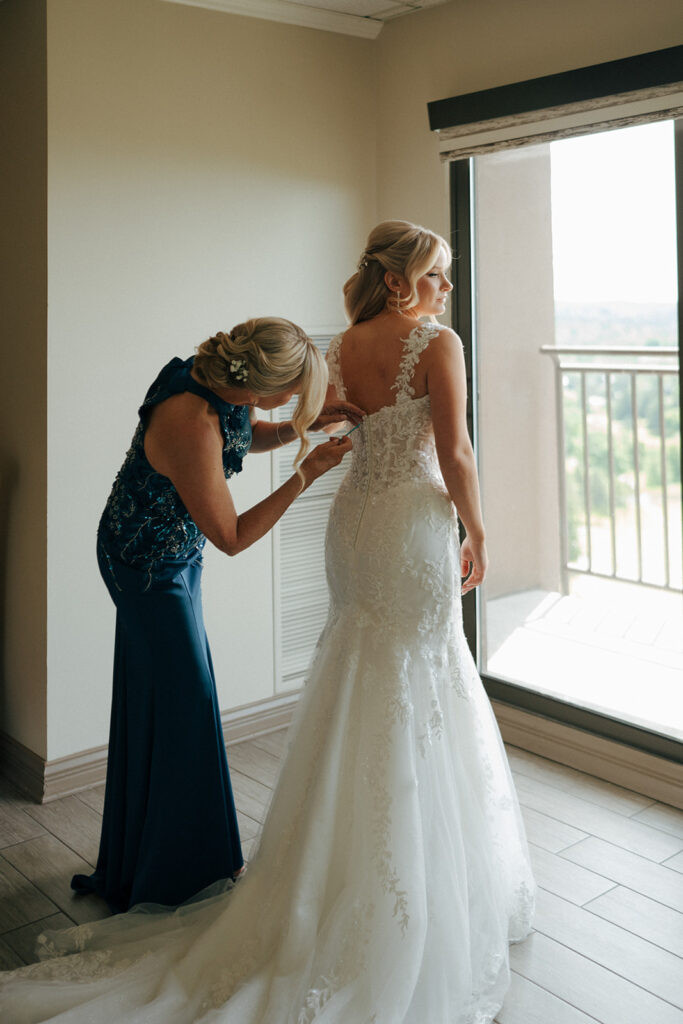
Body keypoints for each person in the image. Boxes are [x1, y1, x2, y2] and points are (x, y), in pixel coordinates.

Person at [0, 225, 535, 1023]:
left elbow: (281, 427)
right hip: (299, 541)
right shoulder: (432, 343)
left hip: (352, 527)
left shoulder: (338, 345)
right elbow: (451, 453)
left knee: (357, 667)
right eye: (440, 275)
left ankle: (204, 864)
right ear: (403, 283)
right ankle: (191, 871)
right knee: (387, 678)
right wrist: (479, 531)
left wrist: (311, 437)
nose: (448, 288)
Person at [71, 316, 360, 914]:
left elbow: (245, 432)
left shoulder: (218, 385)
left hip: (177, 549)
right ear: (257, 382)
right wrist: (307, 472)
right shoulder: (188, 419)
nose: (294, 403)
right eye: (292, 393)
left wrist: (295, 430)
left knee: (166, 698)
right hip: (144, 563)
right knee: (189, 702)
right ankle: (179, 872)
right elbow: (230, 535)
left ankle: (152, 855)